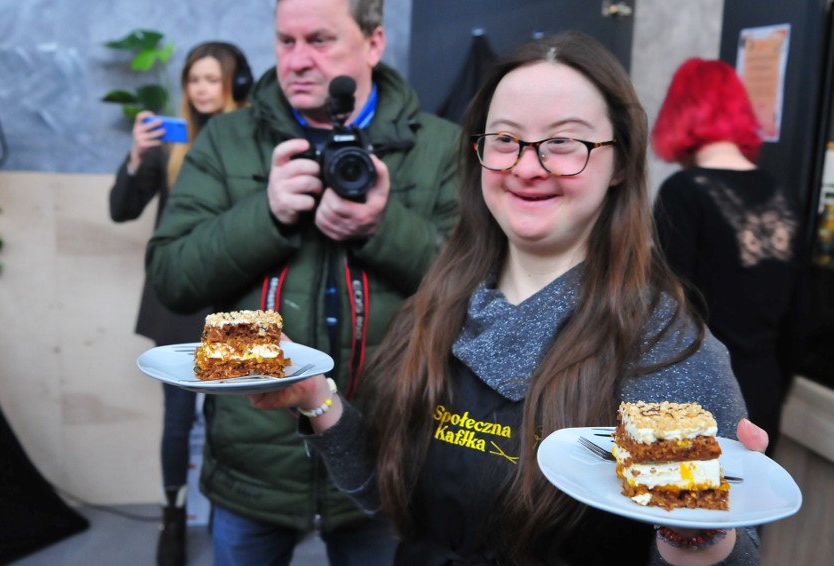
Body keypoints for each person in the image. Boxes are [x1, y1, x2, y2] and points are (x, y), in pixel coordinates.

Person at [248, 31, 770, 565]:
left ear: (619, 164)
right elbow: (386, 496)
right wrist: (316, 397)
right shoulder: (439, 301)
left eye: (564, 141)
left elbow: (732, 555)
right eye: (504, 139)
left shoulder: (664, 342)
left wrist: (697, 531)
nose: (525, 166)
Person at [144, 0, 460, 564]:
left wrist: (384, 229)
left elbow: (481, 294)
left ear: (374, 42)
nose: (298, 60)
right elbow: (171, 277)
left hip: (382, 455)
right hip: (251, 466)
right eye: (285, 42)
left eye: (319, 39)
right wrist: (264, 216)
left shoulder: (438, 147)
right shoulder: (226, 140)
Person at [109, 41, 254, 566]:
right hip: (179, 304)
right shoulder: (168, 146)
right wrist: (134, 156)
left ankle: (227, 517)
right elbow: (122, 210)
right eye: (194, 79)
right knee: (177, 420)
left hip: (235, 304)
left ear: (236, 85)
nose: (201, 89)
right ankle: (173, 518)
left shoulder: (252, 144)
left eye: (212, 79)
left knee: (230, 420)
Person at [650, 58, 803, 453]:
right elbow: (797, 318)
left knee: (683, 507)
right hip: (764, 387)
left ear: (680, 113)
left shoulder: (683, 192)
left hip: (699, 390)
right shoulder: (782, 194)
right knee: (747, 505)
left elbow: (667, 312)